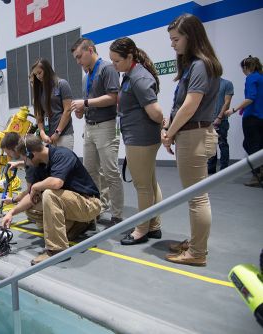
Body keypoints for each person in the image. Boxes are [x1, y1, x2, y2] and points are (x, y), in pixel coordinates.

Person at [161, 14, 221, 266]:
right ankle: (196, 243)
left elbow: (189, 106)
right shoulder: (198, 65)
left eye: (176, 39)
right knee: (196, 196)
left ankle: (197, 253)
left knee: (197, 197)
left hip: (193, 135)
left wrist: (170, 132)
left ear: (190, 37)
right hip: (194, 134)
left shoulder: (199, 65)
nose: (172, 44)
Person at [1, 134, 101, 265]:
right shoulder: (39, 165)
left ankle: (57, 250)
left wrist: (36, 186)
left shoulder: (62, 155)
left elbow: (56, 183)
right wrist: (11, 212)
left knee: (49, 194)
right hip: (71, 204)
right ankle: (79, 225)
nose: (24, 162)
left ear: (31, 154)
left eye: (25, 158)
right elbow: (31, 197)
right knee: (31, 207)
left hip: (89, 204)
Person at [109, 37, 164, 245]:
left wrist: (164, 122)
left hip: (141, 139)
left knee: (142, 186)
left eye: (116, 61)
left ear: (129, 57)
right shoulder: (131, 74)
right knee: (150, 183)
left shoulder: (138, 78)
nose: (114, 65)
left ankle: (141, 229)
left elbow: (156, 112)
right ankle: (154, 226)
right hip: (141, 136)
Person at [70, 37, 124, 227]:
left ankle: (117, 215)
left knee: (111, 172)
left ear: (90, 50)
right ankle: (96, 210)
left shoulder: (107, 69)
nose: (78, 62)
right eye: (76, 58)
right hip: (90, 127)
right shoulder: (86, 77)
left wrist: (85, 103)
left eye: (79, 57)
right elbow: (89, 103)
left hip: (106, 126)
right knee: (91, 172)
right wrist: (80, 110)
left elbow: (113, 98)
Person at [226, 56, 263, 187]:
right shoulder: (261, 77)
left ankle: (257, 174)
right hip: (261, 117)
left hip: (252, 117)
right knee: (260, 146)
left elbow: (251, 98)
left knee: (250, 145)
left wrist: (234, 110)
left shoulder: (251, 78)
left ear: (245, 67)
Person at [31, 58, 75, 150]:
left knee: (66, 163)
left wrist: (57, 132)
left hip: (64, 135)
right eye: (35, 74)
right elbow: (39, 116)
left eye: (39, 73)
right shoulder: (39, 91)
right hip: (48, 138)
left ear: (47, 70)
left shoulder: (62, 84)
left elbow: (67, 110)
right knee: (51, 164)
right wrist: (42, 134)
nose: (38, 76)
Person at [207, 78, 234, 174]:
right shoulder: (207, 85)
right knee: (211, 145)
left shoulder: (227, 83)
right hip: (208, 121)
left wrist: (219, 117)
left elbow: (227, 103)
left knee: (222, 144)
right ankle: (211, 167)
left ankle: (224, 169)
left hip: (221, 120)